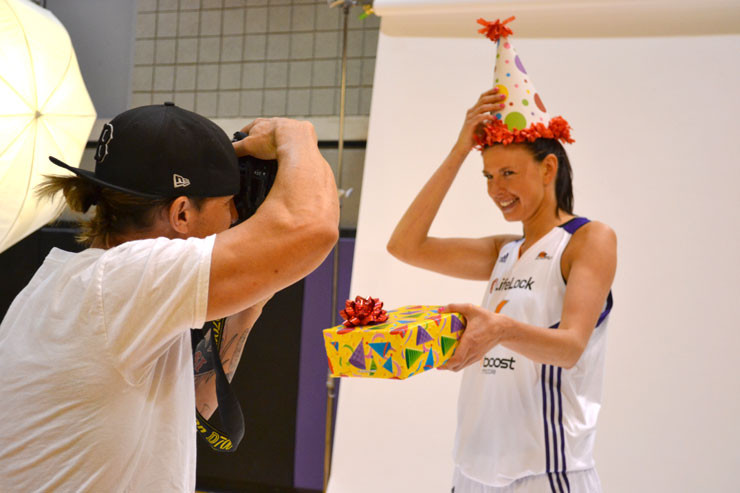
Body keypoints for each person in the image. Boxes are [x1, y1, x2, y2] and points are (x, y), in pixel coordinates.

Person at [0, 103, 339, 491]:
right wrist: (297, 137)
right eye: (228, 204)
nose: (234, 218)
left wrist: (248, 307)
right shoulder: (123, 279)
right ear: (181, 214)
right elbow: (311, 229)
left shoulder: (83, 282)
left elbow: (198, 404)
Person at [387, 51, 616, 493]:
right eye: (488, 176)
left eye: (508, 172)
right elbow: (404, 246)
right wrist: (459, 149)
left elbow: (570, 348)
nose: (497, 189)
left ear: (548, 167)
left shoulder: (588, 240)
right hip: (472, 469)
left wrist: (497, 329)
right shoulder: (504, 251)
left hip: (547, 472)